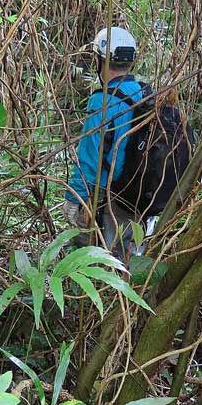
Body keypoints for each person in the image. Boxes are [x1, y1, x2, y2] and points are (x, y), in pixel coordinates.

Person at [63, 27, 144, 258]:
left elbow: (90, 158)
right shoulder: (146, 94)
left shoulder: (102, 101)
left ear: (99, 60)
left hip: (108, 197)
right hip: (140, 195)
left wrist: (74, 199)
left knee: (91, 258)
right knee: (129, 255)